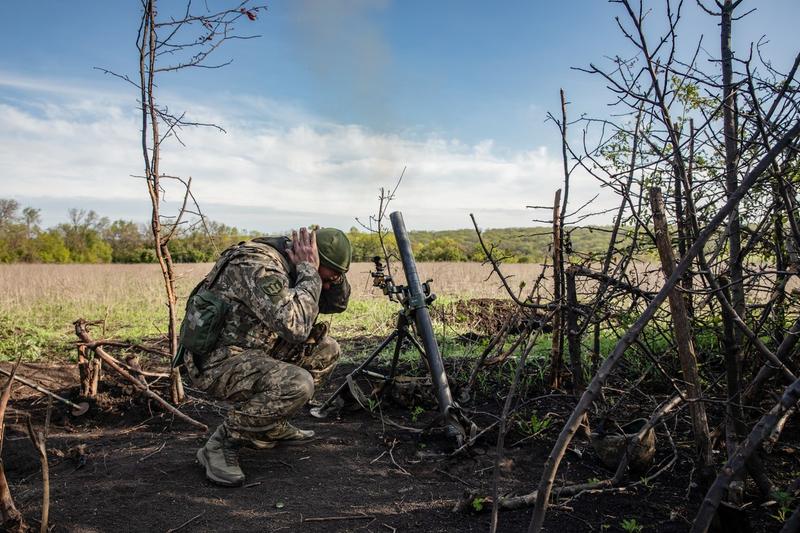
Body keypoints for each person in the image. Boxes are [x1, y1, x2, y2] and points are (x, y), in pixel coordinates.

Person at [179, 227, 352, 487]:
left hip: (254, 348)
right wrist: (309, 271)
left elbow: (336, 305)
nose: (325, 286)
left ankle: (268, 425)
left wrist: (331, 278)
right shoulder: (257, 265)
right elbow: (296, 327)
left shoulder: (294, 264)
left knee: (326, 350)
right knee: (296, 384)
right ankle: (222, 443)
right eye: (325, 279)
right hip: (218, 360)